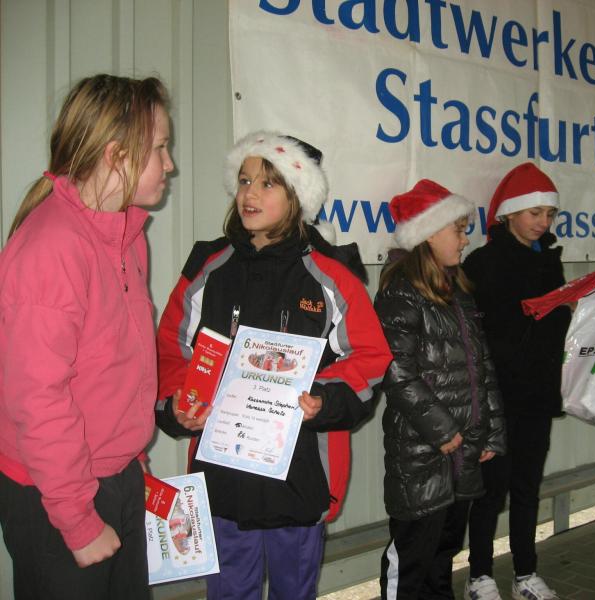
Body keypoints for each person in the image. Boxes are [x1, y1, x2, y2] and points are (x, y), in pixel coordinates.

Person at [155, 130, 392, 600]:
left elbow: (371, 357)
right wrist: (180, 403)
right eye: (245, 181)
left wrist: (323, 399)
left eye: (268, 183)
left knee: (293, 591)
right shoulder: (208, 267)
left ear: (297, 194)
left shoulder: (331, 274)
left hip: (299, 479)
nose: (250, 193)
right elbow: (170, 349)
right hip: (223, 478)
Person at [0, 74, 174, 599]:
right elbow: (37, 399)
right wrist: (77, 519)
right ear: (117, 155)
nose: (169, 164)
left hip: (114, 475)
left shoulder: (126, 235)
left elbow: (113, 366)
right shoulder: (52, 247)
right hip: (57, 493)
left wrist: (129, 457)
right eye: (160, 148)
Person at [374, 179, 506, 600]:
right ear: (430, 233)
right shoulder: (401, 291)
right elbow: (394, 368)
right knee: (411, 560)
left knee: (443, 556)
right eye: (459, 230)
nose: (466, 240)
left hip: (463, 452)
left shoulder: (458, 290)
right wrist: (442, 430)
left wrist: (490, 432)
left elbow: (481, 367)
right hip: (422, 455)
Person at [461, 163, 570, 600]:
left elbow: (555, 330)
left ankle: (526, 573)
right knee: (490, 492)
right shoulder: (482, 263)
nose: (543, 222)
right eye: (534, 213)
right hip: (497, 398)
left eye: (550, 214)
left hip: (538, 395)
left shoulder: (550, 262)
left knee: (528, 488)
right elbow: (475, 337)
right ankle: (479, 576)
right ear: (508, 214)